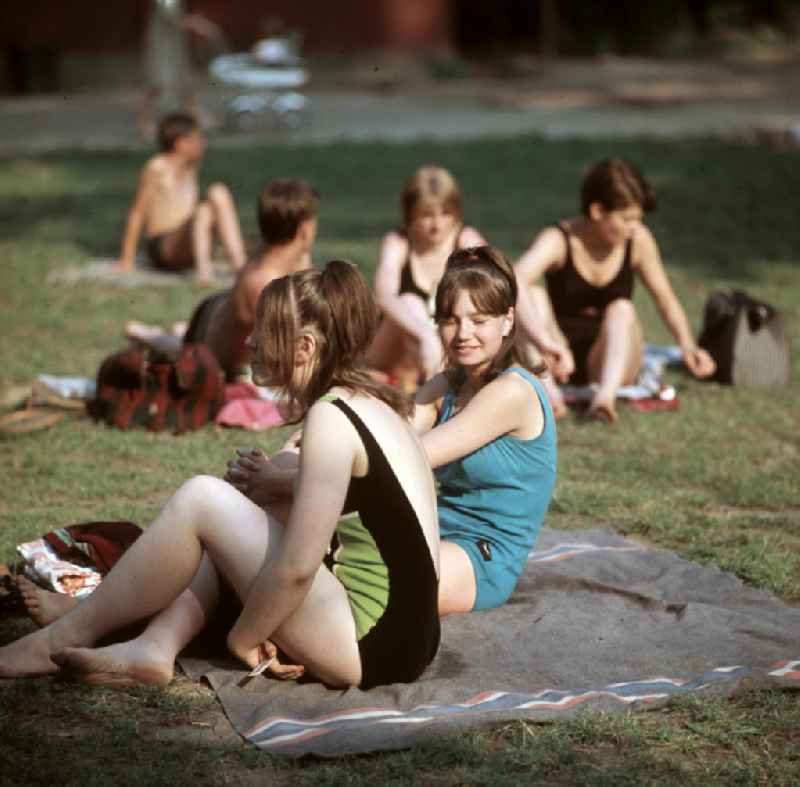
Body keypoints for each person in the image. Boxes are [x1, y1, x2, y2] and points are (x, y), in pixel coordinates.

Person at [0, 262, 441, 691]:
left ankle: (62, 639)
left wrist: (245, 637)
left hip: (371, 644)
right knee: (241, 510)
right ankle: (154, 646)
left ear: (304, 347)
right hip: (411, 639)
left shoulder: (332, 417)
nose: (248, 340)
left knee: (202, 498)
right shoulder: (374, 404)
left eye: (266, 331)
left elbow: (298, 568)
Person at [230, 246, 557, 616]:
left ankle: (246, 607)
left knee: (331, 570)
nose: (463, 333)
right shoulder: (447, 385)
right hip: (431, 530)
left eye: (479, 320)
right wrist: (286, 458)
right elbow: (378, 434)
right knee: (287, 523)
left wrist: (279, 481)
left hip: (479, 556)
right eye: (450, 320)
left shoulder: (513, 392)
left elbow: (402, 463)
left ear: (508, 320)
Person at [514, 159, 716, 422]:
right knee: (533, 294)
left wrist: (687, 346)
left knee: (622, 308)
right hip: (560, 355)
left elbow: (664, 298)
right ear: (597, 211)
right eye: (626, 218)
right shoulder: (560, 240)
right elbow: (512, 277)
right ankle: (551, 397)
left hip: (612, 359)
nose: (633, 227)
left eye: (637, 219)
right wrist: (545, 341)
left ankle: (604, 400)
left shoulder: (638, 240)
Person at [124, 177, 318, 381]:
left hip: (223, 311)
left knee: (186, 341)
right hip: (206, 329)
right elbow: (291, 358)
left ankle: (160, 333)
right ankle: (148, 336)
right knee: (184, 349)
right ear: (304, 229)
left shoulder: (287, 255)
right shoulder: (262, 283)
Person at [366, 166, 486, 390]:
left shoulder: (466, 240)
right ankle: (439, 388)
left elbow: (496, 288)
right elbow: (384, 295)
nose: (436, 224)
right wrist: (425, 334)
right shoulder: (398, 242)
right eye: (426, 215)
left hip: (450, 345)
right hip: (395, 352)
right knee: (410, 302)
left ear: (457, 213)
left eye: (445, 213)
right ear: (410, 215)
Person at [115, 112, 246, 285]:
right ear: (180, 143)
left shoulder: (191, 168)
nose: (203, 144)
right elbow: (138, 213)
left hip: (187, 246)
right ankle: (205, 273)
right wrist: (127, 259)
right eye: (198, 139)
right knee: (204, 208)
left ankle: (241, 266)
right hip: (163, 247)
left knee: (218, 192)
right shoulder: (158, 167)